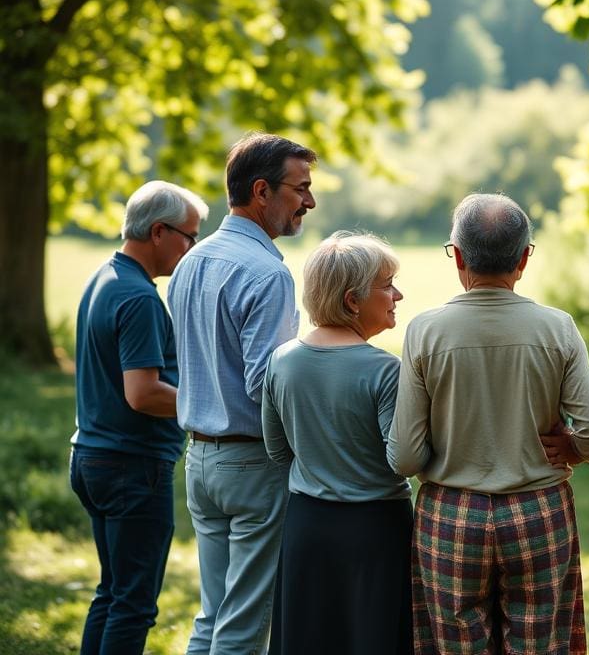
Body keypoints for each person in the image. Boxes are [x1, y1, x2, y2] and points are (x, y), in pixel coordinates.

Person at [388, 193, 589, 655]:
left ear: (459, 257)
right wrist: (572, 448)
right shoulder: (557, 328)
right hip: (539, 512)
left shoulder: (425, 331)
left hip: (451, 516)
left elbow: (407, 457)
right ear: (524, 258)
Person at [168, 131, 317, 655]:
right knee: (245, 624)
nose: (310, 201)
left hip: (199, 461)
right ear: (261, 191)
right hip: (253, 466)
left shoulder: (190, 261)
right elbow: (266, 387)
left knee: (213, 615)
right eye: (300, 189)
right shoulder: (267, 273)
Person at [71, 180, 208, 654]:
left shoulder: (103, 277)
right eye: (189, 236)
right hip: (131, 467)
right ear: (157, 231)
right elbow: (143, 393)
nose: (192, 248)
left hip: (92, 456)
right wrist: (206, 405)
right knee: (133, 604)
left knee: (111, 593)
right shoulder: (141, 300)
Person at [261, 231, 412, 655]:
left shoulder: (281, 360)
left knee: (310, 637)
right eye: (386, 285)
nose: (397, 294)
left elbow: (276, 450)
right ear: (352, 300)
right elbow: (401, 459)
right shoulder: (385, 370)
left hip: (308, 524)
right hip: (376, 529)